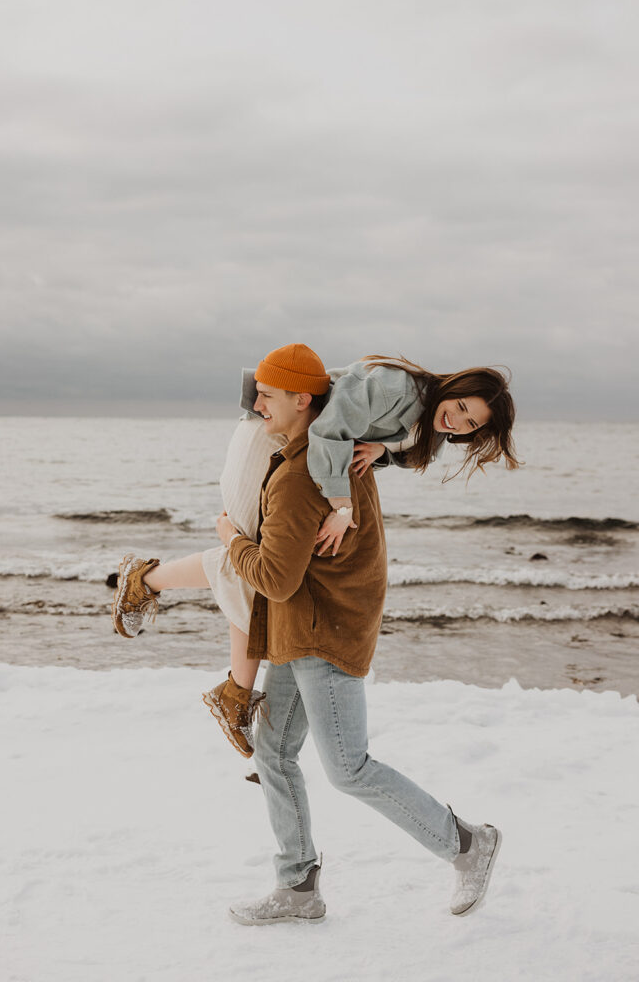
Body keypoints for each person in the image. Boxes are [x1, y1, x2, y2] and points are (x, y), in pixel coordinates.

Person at [112, 344, 518, 758]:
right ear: (453, 385)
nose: (459, 421)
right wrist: (343, 506)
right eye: (462, 405)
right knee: (253, 562)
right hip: (268, 434)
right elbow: (328, 430)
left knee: (251, 561)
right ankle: (214, 667)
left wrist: (381, 451)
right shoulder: (396, 387)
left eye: (471, 424)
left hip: (300, 445)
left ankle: (213, 664)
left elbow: (410, 453)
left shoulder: (429, 426)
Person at [215, 351, 501, 923]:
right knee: (273, 752)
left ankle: (468, 845)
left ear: (303, 401)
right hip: (302, 628)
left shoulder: (307, 471)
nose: (252, 405)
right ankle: (298, 887)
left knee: (348, 768)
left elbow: (274, 574)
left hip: (327, 628)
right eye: (463, 412)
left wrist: (230, 540)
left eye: (265, 397)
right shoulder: (331, 451)